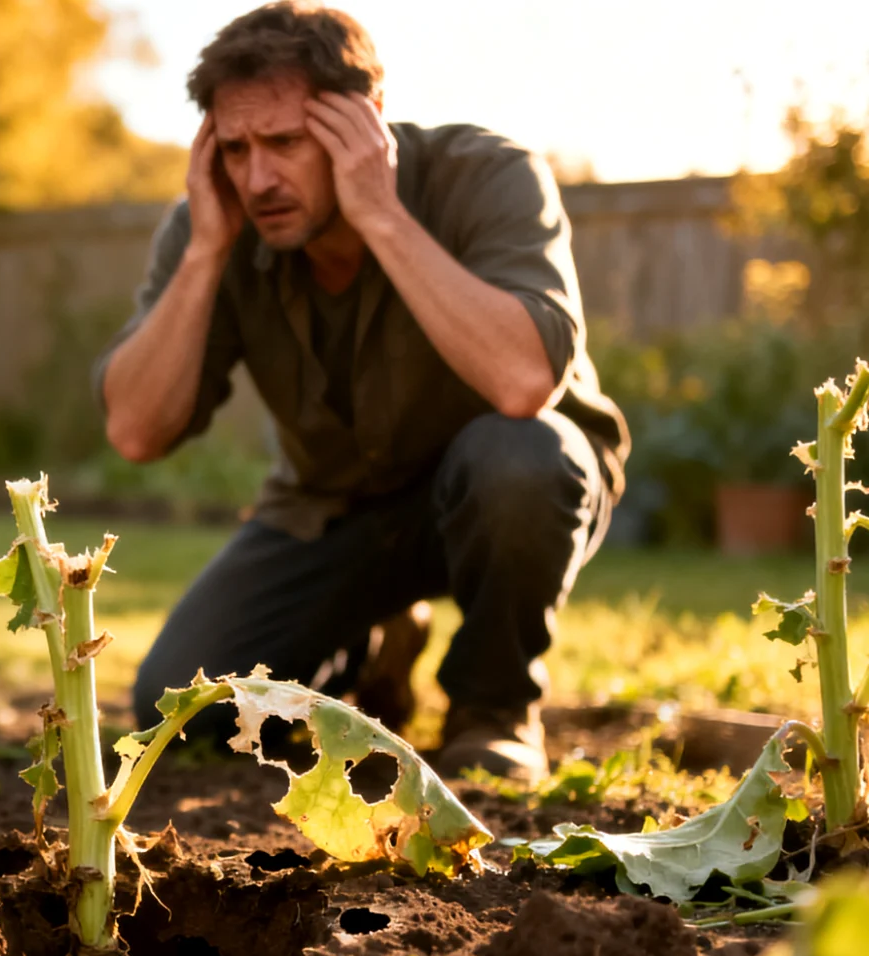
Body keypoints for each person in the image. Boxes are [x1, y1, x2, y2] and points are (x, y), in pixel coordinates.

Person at [93, 1, 628, 782]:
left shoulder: (486, 175)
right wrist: (207, 251)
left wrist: (378, 212)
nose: (259, 177)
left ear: (367, 118)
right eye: (235, 148)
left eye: (285, 142)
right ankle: (371, 653)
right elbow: (136, 430)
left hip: (505, 489)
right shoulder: (219, 220)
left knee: (521, 456)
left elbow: (523, 381)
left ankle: (494, 709)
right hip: (333, 511)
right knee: (177, 711)